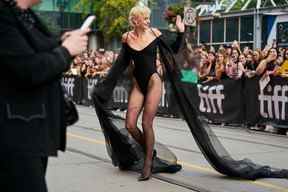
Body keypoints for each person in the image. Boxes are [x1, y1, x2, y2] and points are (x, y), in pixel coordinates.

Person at [0, 0, 89, 191]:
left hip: (30, 131)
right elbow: (27, 69)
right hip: (15, 136)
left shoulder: (23, 14)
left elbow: (33, 51)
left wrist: (62, 42)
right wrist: (66, 51)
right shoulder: (4, 15)